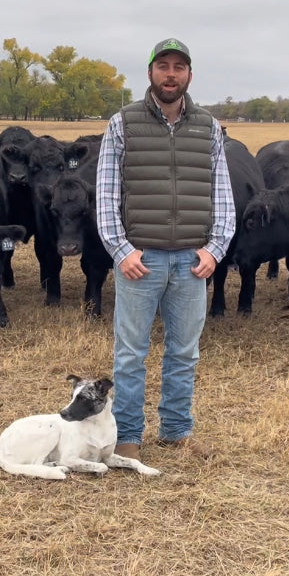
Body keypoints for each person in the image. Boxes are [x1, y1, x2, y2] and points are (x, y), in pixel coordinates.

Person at [95, 38, 236, 461]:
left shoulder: (209, 127)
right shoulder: (123, 123)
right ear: (150, 73)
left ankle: (176, 431)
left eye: (178, 67)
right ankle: (128, 435)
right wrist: (121, 250)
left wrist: (214, 249)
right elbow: (105, 193)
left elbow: (222, 194)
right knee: (130, 354)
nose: (170, 74)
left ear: (189, 75)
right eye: (163, 66)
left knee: (184, 352)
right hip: (141, 260)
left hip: (192, 261)